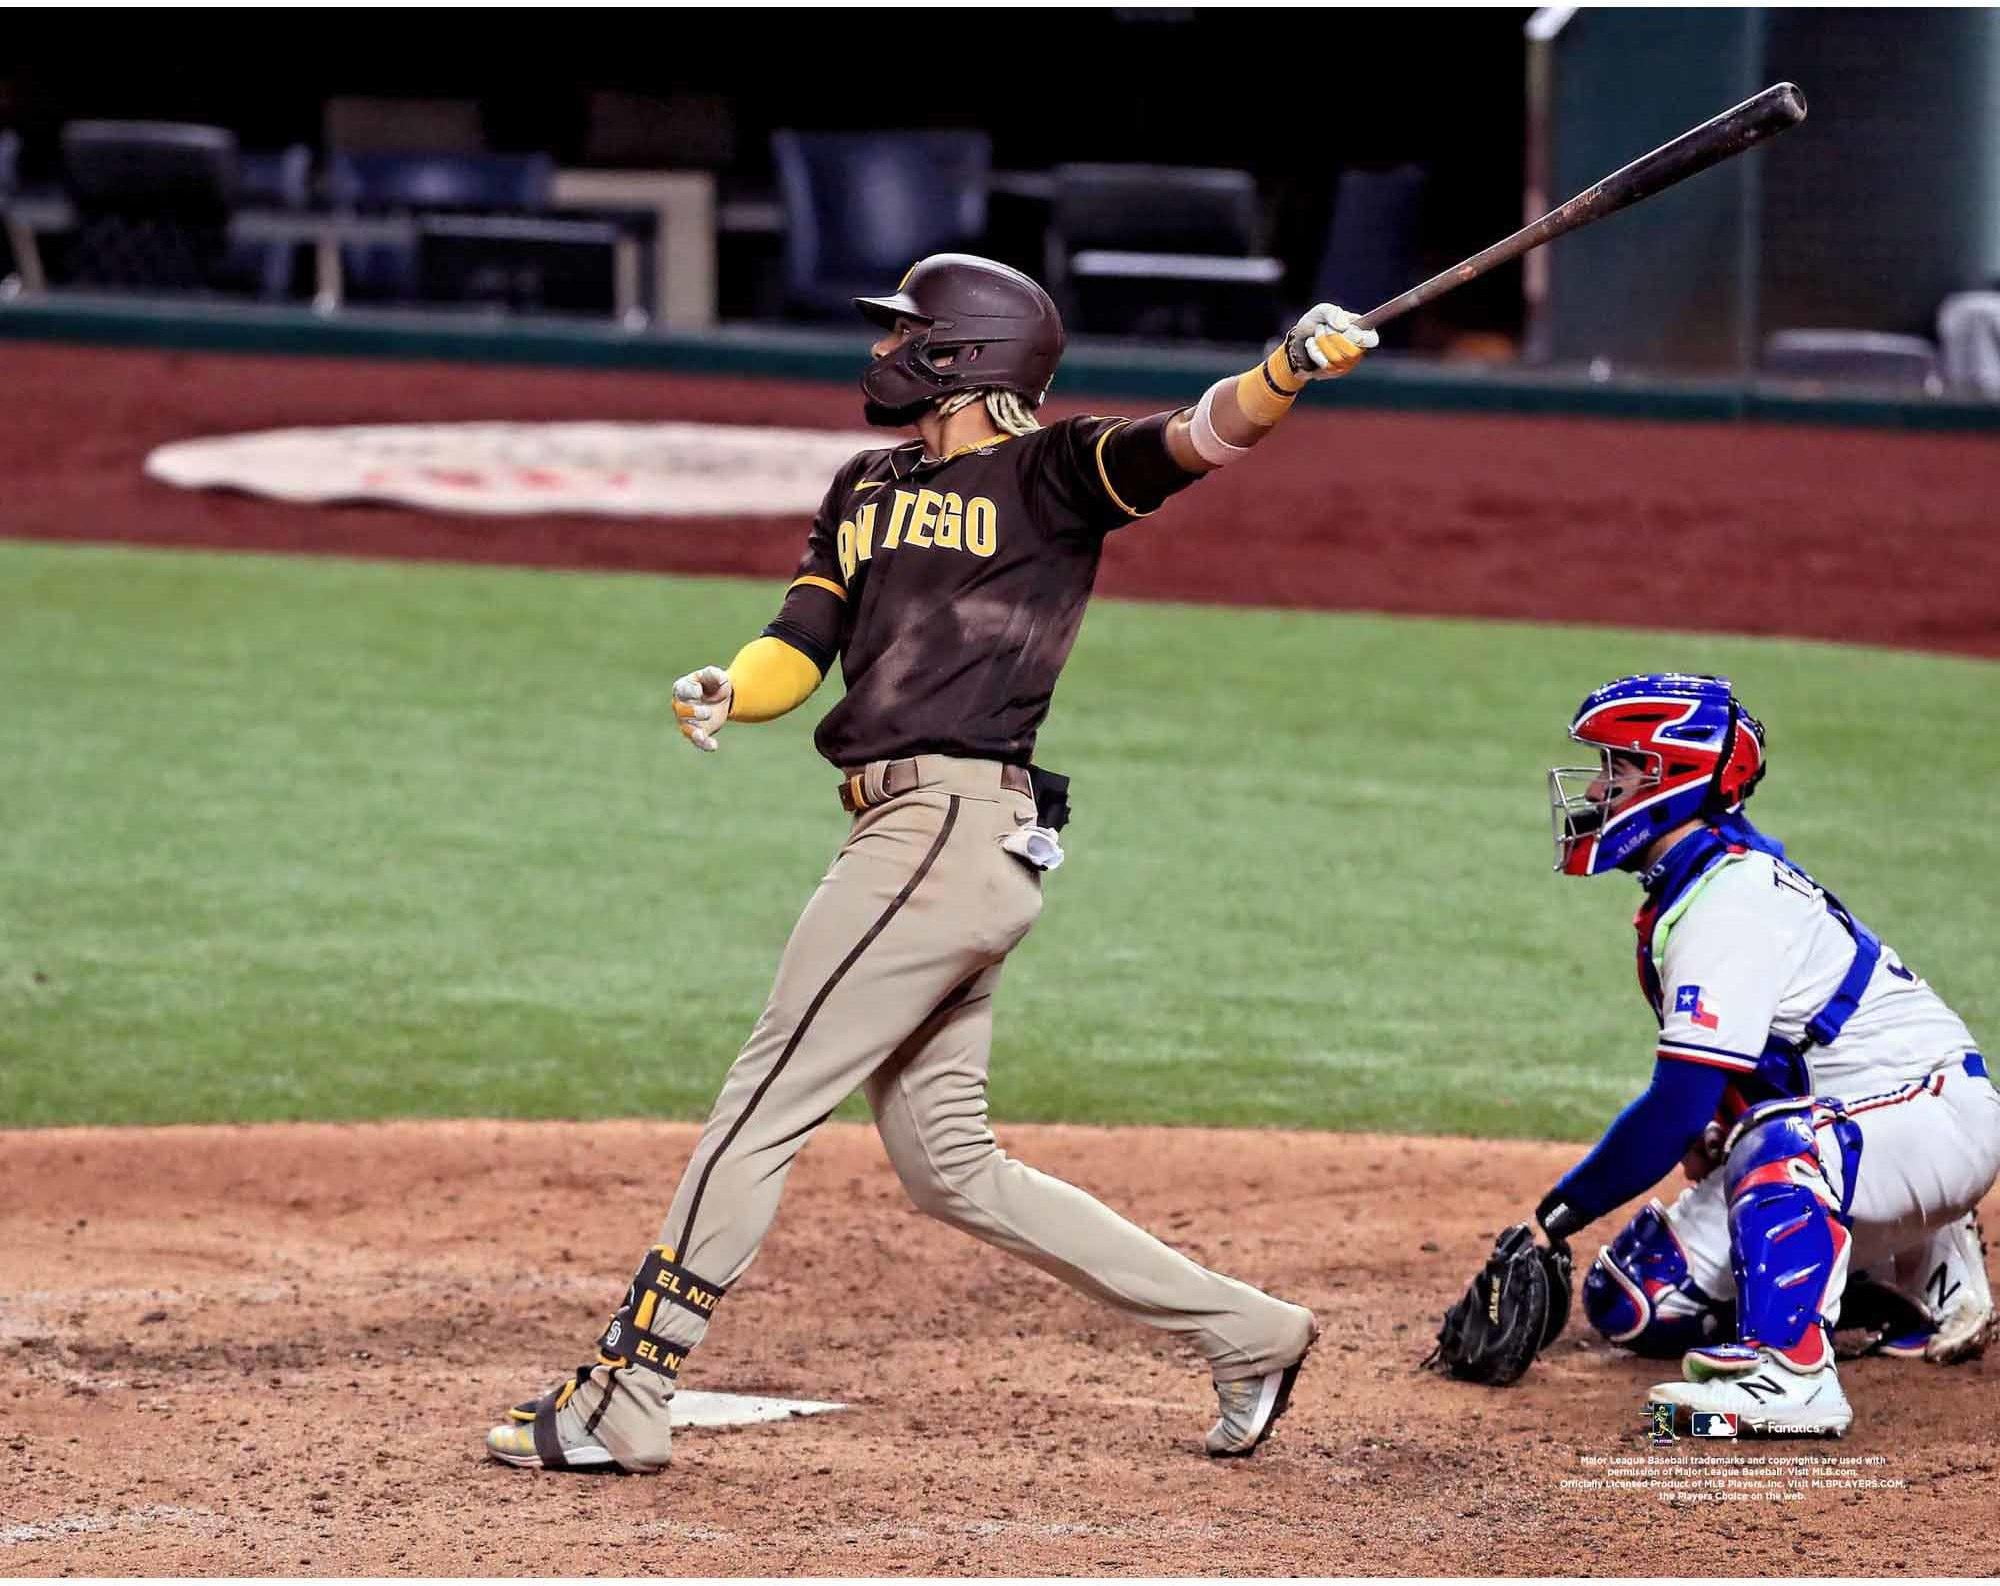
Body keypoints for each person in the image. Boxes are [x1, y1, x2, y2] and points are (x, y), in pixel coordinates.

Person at [484, 253, 1379, 1472]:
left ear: (962, 353)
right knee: (952, 1167)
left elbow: (1196, 437)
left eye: (903, 333)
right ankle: (1248, 1331)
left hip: (943, 832)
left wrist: (1285, 368)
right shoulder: (863, 484)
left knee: (762, 1098)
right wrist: (731, 687)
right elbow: (800, 636)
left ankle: (627, 1389)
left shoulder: (1053, 472)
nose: (881, 351)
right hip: (925, 842)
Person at [1527, 672, 1999, 1434]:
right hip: (1861, 1122)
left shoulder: (1729, 900)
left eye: (1617, 768)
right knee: (1635, 1301)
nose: (1595, 790)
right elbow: (1749, 1066)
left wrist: (1554, 1217)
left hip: (1934, 1120)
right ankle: (1916, 1275)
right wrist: (1717, 1127)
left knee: (1780, 1144)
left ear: (1673, 778)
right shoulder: (1697, 885)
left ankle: (1793, 1376)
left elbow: (1674, 1108)